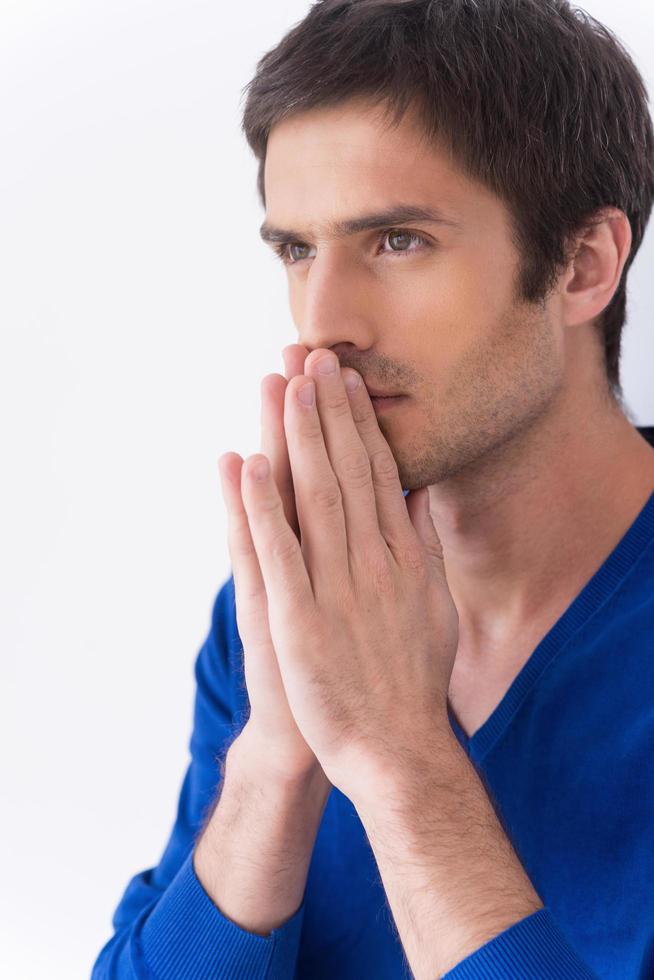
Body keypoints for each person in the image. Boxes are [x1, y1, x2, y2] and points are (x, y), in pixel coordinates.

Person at [91, 1, 654, 977]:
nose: (322, 322)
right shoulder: (288, 608)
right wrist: (277, 757)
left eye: (397, 241)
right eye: (298, 250)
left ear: (583, 264)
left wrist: (400, 763)